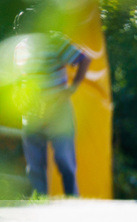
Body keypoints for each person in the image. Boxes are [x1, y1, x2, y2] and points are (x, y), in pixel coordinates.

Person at [15, 23, 90, 196]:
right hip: (32, 111)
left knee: (64, 159)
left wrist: (72, 88)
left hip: (58, 110)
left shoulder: (55, 40)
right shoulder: (20, 47)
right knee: (35, 164)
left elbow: (84, 59)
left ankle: (72, 200)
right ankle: (40, 203)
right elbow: (20, 77)